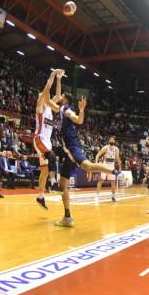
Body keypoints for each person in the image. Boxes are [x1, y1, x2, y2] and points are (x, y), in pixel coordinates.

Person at [54, 93, 123, 227]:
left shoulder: (66, 110)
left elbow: (79, 120)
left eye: (61, 96)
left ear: (66, 99)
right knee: (63, 185)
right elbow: (52, 102)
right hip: (68, 152)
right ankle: (67, 217)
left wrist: (81, 110)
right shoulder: (62, 110)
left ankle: (113, 170)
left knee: (89, 166)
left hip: (72, 149)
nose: (59, 97)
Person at [33, 70, 63, 210]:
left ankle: (40, 196)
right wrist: (51, 75)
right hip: (39, 139)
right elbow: (47, 89)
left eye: (45, 96)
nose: (44, 96)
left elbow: (57, 95)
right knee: (52, 156)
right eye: (42, 95)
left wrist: (58, 78)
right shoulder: (40, 107)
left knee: (44, 171)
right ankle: (53, 182)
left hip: (47, 141)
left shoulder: (49, 107)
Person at [95, 136, 120, 202]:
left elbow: (117, 159)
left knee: (113, 182)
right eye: (110, 139)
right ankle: (97, 196)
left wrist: (119, 167)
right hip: (105, 165)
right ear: (109, 140)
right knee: (101, 180)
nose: (111, 140)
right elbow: (97, 155)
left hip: (112, 166)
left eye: (113, 139)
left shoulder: (116, 149)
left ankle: (113, 196)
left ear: (114, 141)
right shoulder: (105, 148)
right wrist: (96, 163)